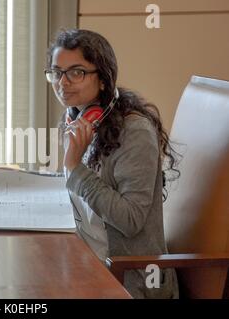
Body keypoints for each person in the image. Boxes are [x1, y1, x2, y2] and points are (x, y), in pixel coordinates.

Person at [45, 29, 180, 299]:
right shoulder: (75, 118)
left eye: (76, 72)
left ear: (103, 79)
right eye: (57, 72)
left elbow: (130, 220)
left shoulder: (135, 132)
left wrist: (75, 168)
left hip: (129, 279)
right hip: (85, 259)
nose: (63, 82)